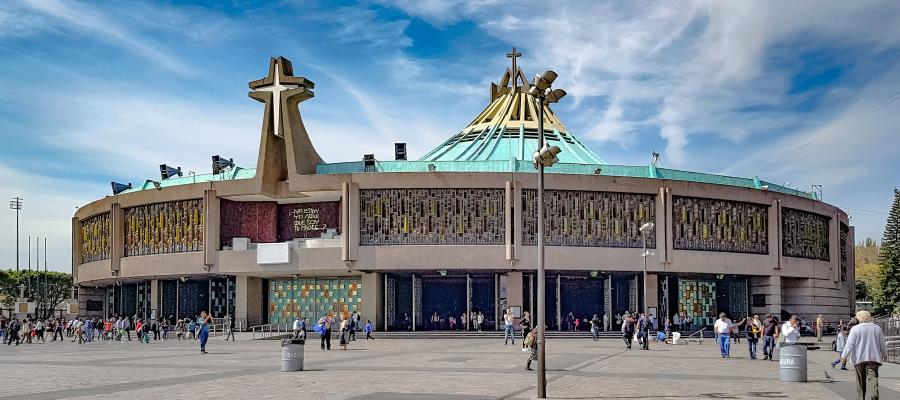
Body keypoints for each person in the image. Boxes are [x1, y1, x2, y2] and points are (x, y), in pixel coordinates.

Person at [841, 311, 887, 400]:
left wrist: (844, 356)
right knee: (873, 379)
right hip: (873, 358)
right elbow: (882, 343)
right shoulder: (877, 328)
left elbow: (849, 345)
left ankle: (861, 398)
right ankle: (874, 396)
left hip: (859, 358)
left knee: (860, 381)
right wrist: (884, 354)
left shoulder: (855, 329)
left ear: (859, 318)